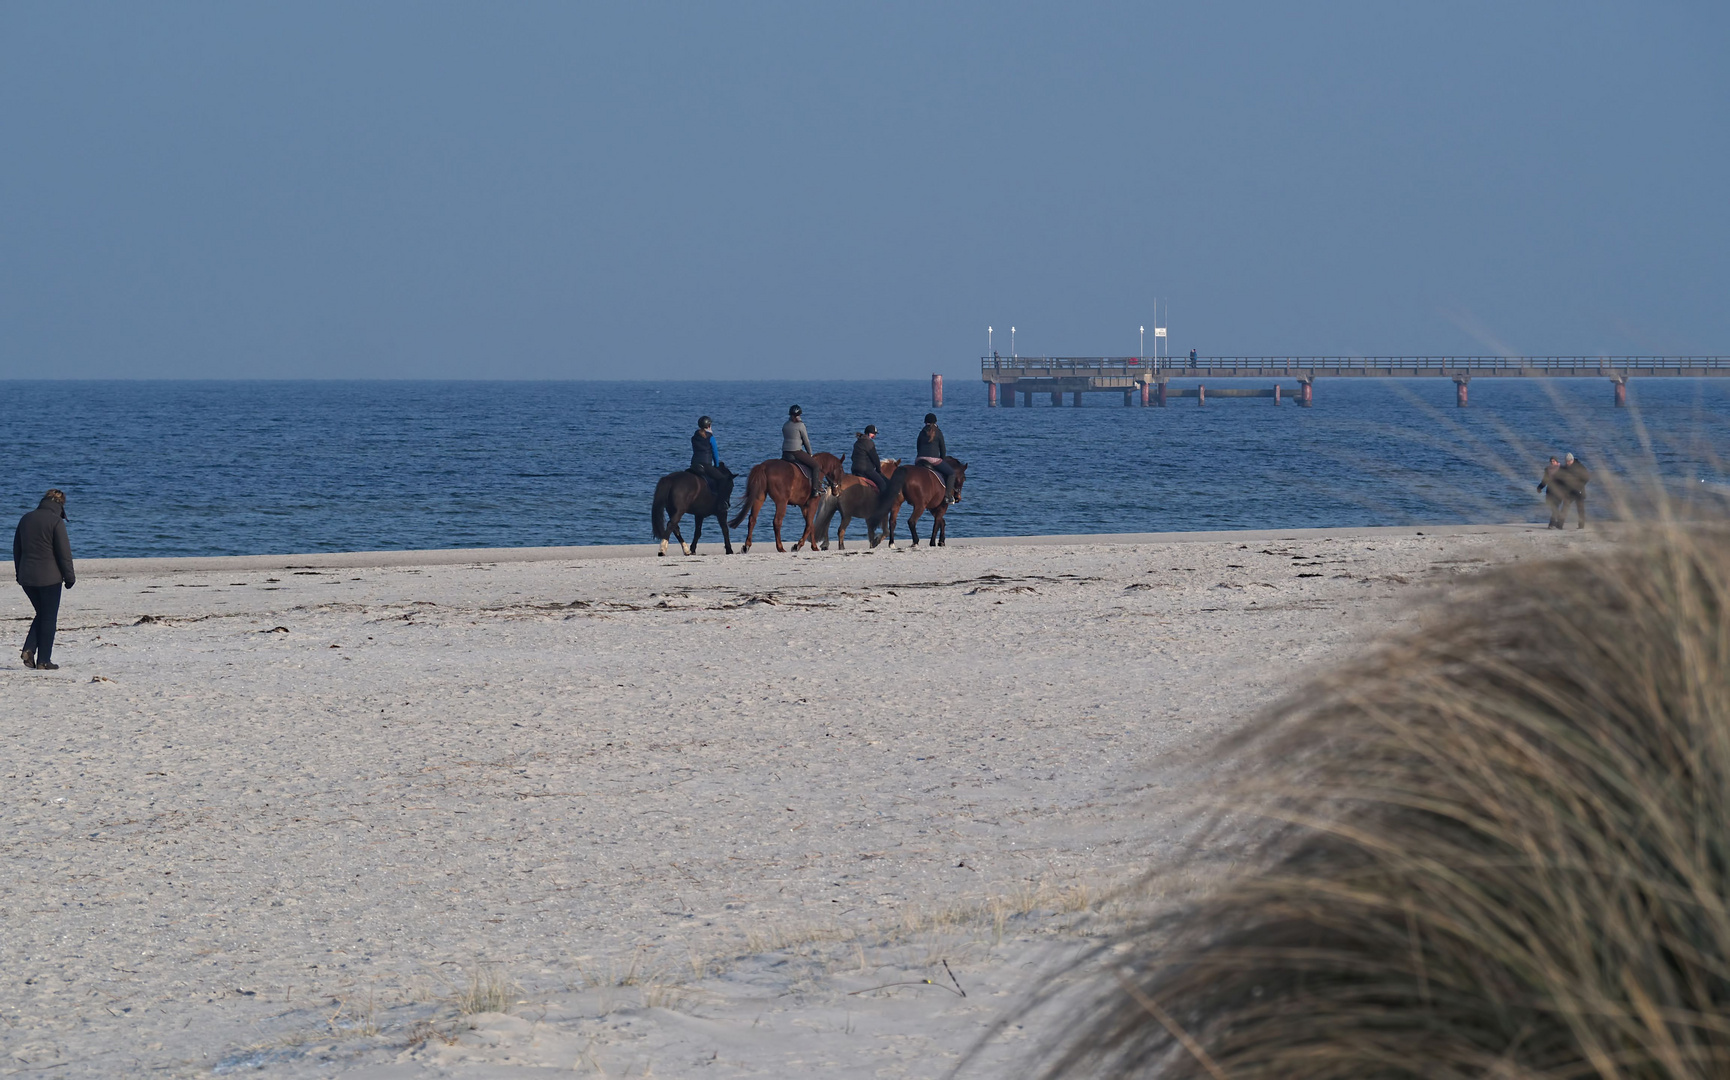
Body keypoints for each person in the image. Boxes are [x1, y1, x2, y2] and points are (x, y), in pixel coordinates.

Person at [14, 488, 75, 671]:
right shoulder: (56, 521)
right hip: (50, 578)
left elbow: (17, 549)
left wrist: (19, 573)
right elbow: (64, 554)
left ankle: (30, 649)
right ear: (61, 505)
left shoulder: (26, 518)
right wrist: (69, 577)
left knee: (42, 614)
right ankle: (43, 661)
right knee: (48, 618)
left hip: (27, 578)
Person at [688, 416, 732, 514]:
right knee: (723, 479)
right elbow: (715, 453)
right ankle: (722, 503)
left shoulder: (694, 437)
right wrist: (716, 465)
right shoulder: (710, 438)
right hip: (706, 464)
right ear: (709, 425)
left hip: (694, 464)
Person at [781, 405, 827, 497]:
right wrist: (810, 453)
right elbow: (806, 441)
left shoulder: (785, 425)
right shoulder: (800, 425)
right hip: (796, 452)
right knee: (815, 466)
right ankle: (815, 490)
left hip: (785, 453)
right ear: (798, 415)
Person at [914, 412, 957, 504]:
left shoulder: (921, 432)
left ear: (925, 422)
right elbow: (943, 449)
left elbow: (918, 446)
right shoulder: (938, 432)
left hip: (920, 459)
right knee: (951, 473)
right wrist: (942, 460)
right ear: (935, 422)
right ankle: (947, 496)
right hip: (933, 459)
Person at [850, 424, 889, 492]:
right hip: (866, 470)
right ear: (868, 433)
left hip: (854, 469)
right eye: (873, 433)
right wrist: (878, 470)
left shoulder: (857, 442)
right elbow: (875, 458)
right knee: (882, 483)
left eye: (875, 434)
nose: (874, 435)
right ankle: (883, 501)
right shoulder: (869, 443)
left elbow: (852, 457)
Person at [1557, 452, 1590, 529]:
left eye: (1569, 461)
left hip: (1579, 491)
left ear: (1572, 460)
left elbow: (1587, 477)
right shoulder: (1565, 468)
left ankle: (1581, 526)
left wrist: (1580, 485)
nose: (1567, 463)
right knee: (1565, 507)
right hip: (1569, 491)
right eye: (1566, 461)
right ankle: (1560, 525)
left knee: (1580, 509)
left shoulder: (1580, 467)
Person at [1537, 456, 1564, 529]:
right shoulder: (1548, 470)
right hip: (1550, 491)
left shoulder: (1561, 469)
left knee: (1555, 507)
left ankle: (1551, 524)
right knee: (1552, 507)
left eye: (1554, 461)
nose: (1552, 463)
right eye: (1551, 461)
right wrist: (1539, 487)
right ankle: (1559, 522)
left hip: (1559, 491)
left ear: (1557, 462)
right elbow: (1544, 480)